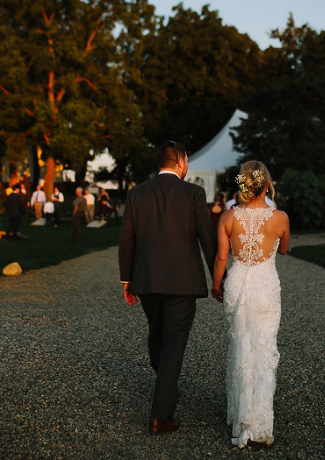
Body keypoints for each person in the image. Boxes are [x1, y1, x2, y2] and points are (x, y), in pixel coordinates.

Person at [118, 141, 217, 434]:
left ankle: (166, 383)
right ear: (181, 161)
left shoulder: (137, 193)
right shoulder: (194, 193)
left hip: (146, 281)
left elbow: (127, 238)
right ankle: (160, 416)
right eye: (187, 160)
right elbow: (206, 239)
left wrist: (127, 279)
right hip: (183, 283)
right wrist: (218, 279)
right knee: (173, 344)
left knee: (158, 334)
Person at [211, 160, 290, 448]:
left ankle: (240, 421)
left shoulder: (228, 218)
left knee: (241, 349)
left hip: (238, 285)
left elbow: (221, 259)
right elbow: (284, 249)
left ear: (243, 185)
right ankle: (258, 425)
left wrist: (216, 286)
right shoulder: (281, 217)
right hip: (266, 287)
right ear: (266, 185)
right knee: (264, 349)